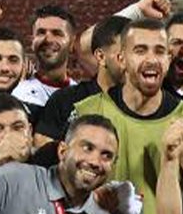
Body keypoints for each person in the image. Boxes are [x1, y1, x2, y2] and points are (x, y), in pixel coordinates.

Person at [70, 19, 183, 214]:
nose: (151, 59)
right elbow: (65, 189)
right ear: (122, 59)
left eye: (160, 51)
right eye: (140, 50)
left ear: (168, 59)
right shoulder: (87, 113)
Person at [35, 15, 129, 148]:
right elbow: (42, 148)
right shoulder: (64, 100)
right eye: (124, 54)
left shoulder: (148, 104)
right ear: (101, 56)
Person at [13, 5, 78, 123]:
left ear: (72, 43)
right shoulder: (19, 93)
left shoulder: (80, 97)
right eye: (41, 32)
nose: (48, 39)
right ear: (32, 41)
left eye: (57, 33)